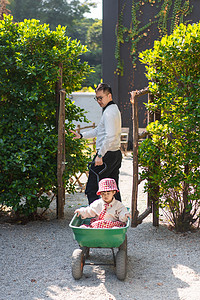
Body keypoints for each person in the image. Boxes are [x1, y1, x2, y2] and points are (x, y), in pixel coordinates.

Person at [70, 83, 122, 204]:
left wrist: (100, 155)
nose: (98, 101)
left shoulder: (109, 112)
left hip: (106, 155)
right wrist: (82, 135)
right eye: (97, 98)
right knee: (113, 188)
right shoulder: (113, 109)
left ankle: (96, 217)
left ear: (109, 96)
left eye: (101, 98)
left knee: (92, 189)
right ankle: (119, 217)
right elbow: (99, 130)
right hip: (115, 154)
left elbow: (110, 136)